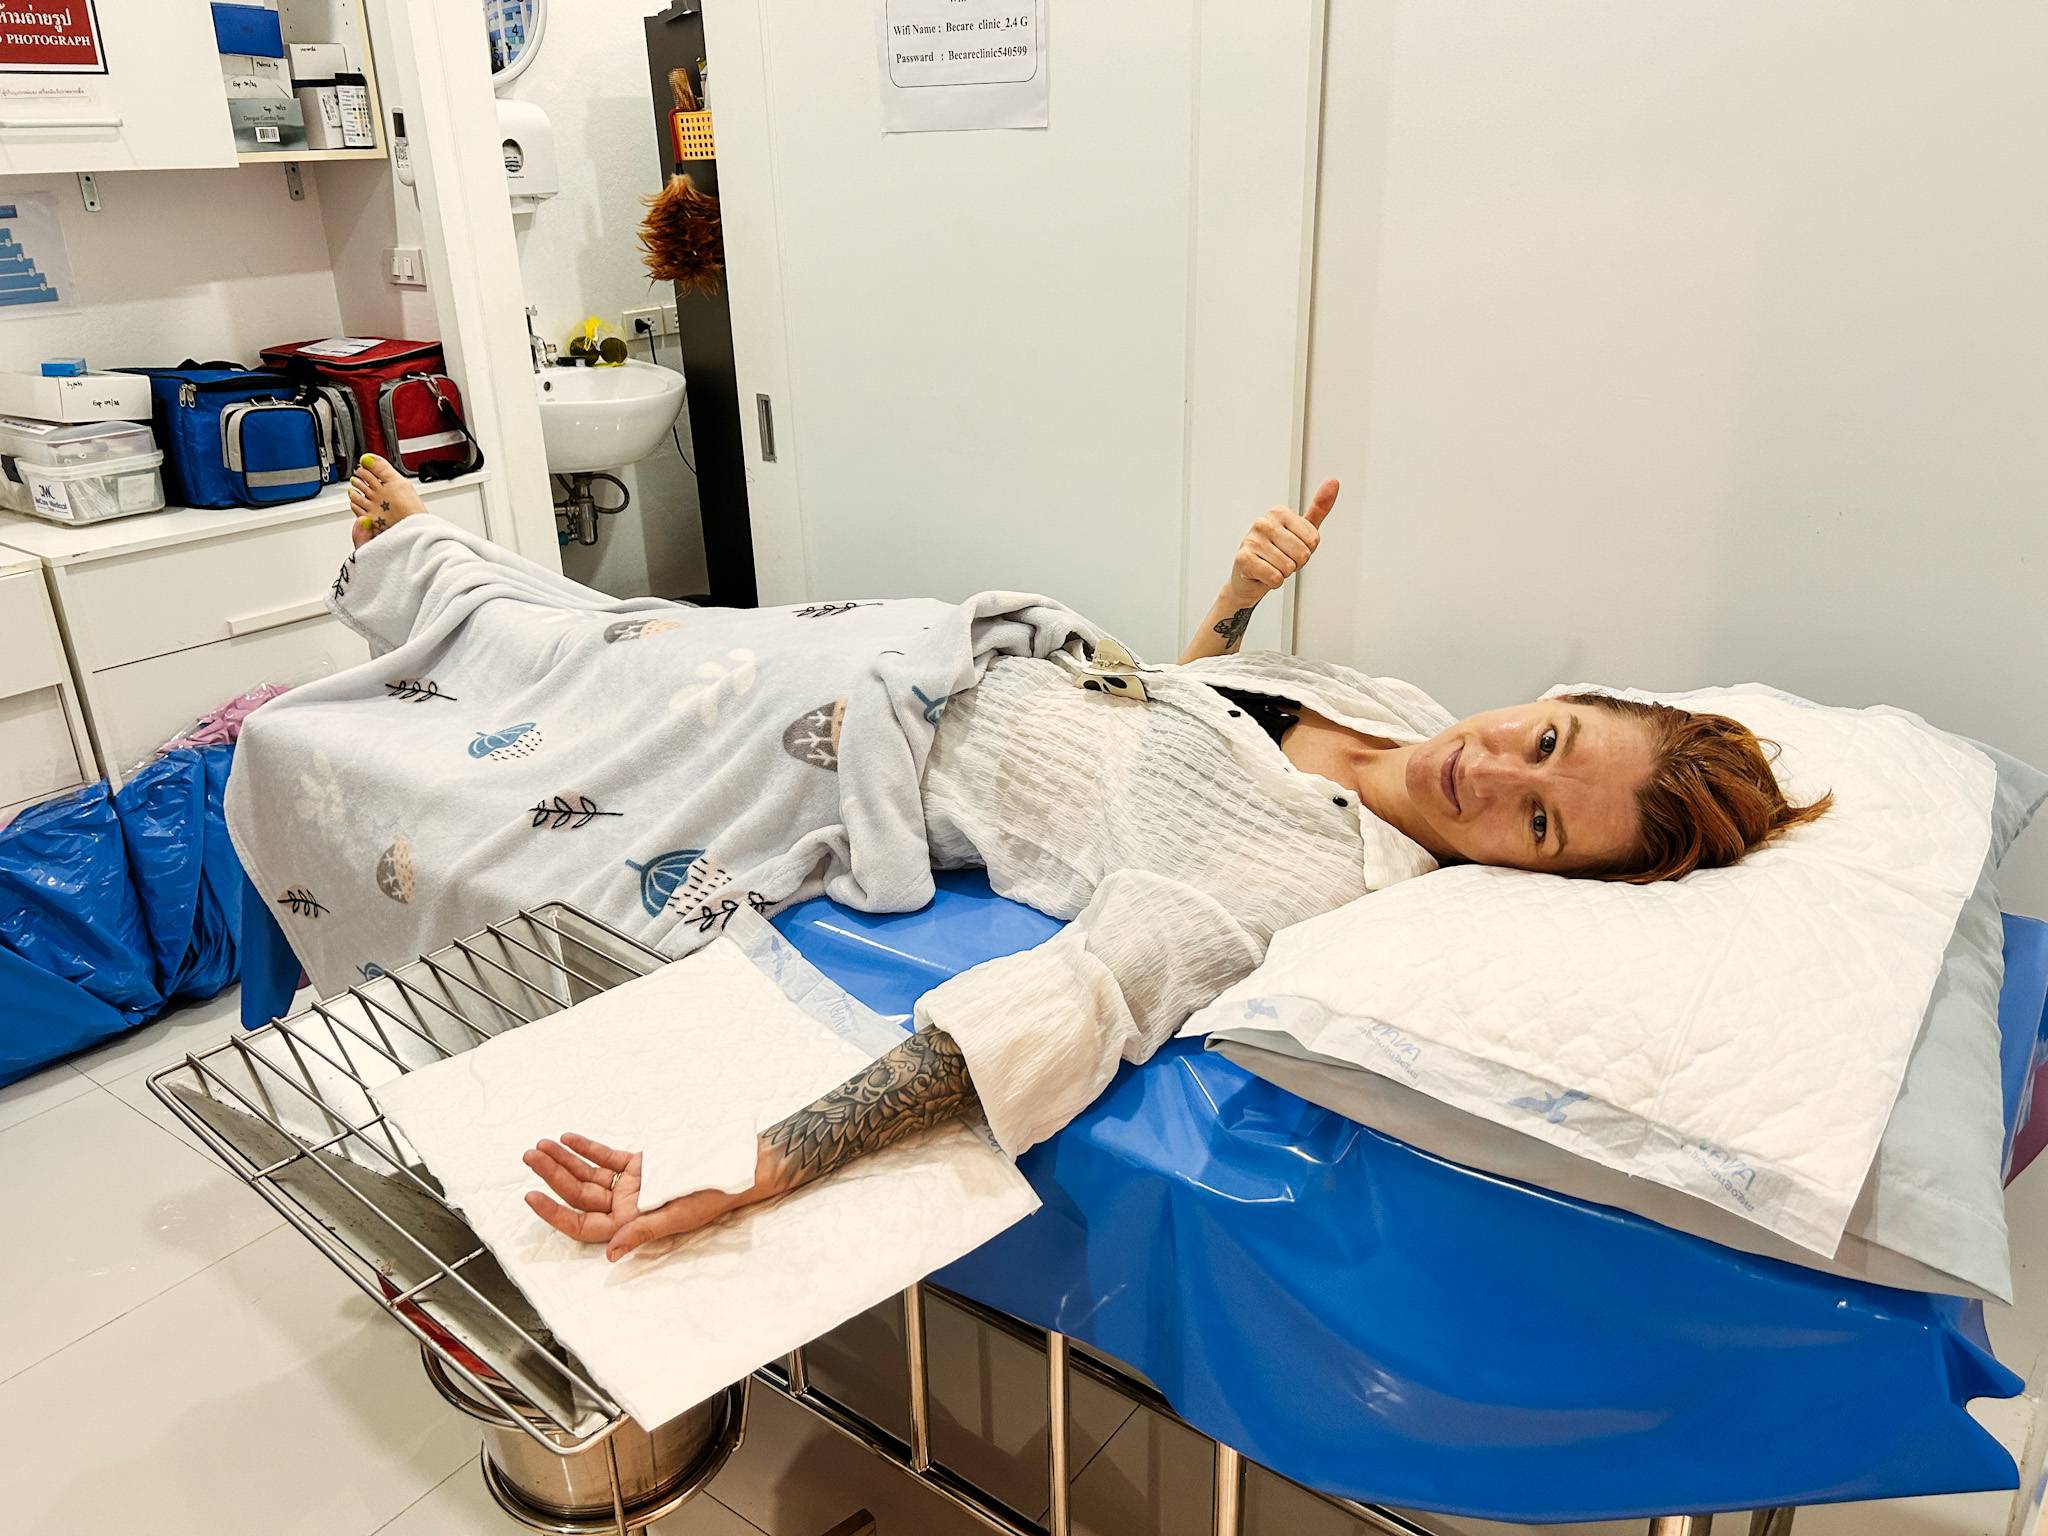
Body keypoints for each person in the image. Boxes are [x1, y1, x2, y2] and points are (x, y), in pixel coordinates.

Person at [342, 455, 1828, 1261]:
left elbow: (1069, 1004)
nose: (1495, 772)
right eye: (1551, 737)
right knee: (652, 625)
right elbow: (1173, 727)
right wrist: (1240, 604)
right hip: (926, 647)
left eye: (1541, 820)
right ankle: (452, 575)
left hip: (855, 748)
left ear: (1541, 877)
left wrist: (759, 1166)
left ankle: (427, 569)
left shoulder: (1311, 883)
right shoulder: (1401, 715)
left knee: (612, 671)